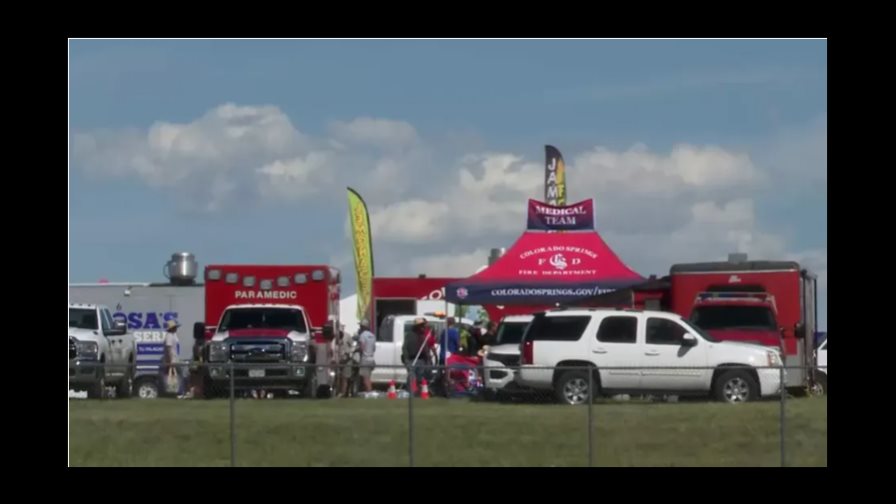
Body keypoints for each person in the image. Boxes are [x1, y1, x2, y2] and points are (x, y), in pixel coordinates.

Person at [402, 318, 435, 394]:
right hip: (412, 360)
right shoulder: (410, 335)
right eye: (421, 326)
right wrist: (406, 359)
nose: (423, 328)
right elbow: (405, 348)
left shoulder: (423, 336)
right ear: (417, 327)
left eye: (424, 326)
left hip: (422, 360)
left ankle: (420, 392)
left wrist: (428, 358)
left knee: (420, 377)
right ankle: (412, 392)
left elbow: (426, 348)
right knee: (412, 377)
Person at [160, 319, 183, 397]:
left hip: (175, 359)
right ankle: (178, 392)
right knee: (178, 375)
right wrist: (170, 361)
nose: (176, 328)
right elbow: (168, 349)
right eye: (175, 327)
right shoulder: (169, 336)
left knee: (176, 376)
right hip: (172, 360)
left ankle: (174, 392)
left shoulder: (173, 335)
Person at [357, 319, 376, 393]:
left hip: (365, 359)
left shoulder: (362, 335)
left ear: (362, 326)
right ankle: (369, 391)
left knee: (365, 379)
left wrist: (357, 350)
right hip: (371, 359)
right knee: (368, 377)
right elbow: (374, 348)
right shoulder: (372, 335)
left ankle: (369, 393)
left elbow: (362, 347)